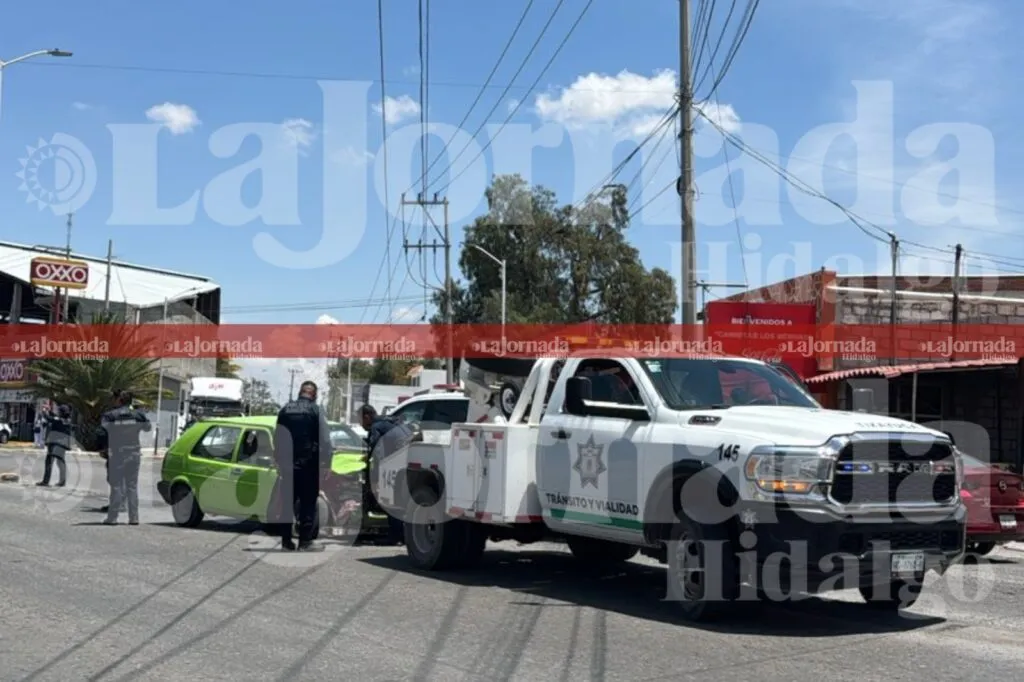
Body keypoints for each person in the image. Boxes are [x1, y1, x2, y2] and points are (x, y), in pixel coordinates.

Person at [271, 380, 332, 551]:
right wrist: (327, 463)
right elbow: (325, 440)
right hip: (308, 465)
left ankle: (285, 541)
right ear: (314, 394)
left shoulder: (284, 410)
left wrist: (278, 459)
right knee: (307, 503)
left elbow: (277, 436)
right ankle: (305, 542)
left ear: (300, 392)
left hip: (286, 465)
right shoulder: (315, 411)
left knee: (287, 502)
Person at [97, 390, 151, 525]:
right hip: (134, 453)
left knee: (116, 486)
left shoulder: (110, 416)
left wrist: (103, 448)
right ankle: (134, 517)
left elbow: (101, 432)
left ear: (119, 400)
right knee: (132, 486)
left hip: (117, 454)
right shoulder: (138, 415)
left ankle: (113, 518)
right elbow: (148, 428)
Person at [37, 405, 73, 487]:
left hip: (55, 443)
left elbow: (49, 418)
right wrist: (49, 410)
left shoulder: (58, 420)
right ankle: (62, 481)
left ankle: (45, 481)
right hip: (63, 445)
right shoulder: (67, 420)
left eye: (59, 411)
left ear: (61, 412)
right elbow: (55, 417)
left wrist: (44, 411)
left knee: (49, 462)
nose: (57, 412)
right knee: (60, 462)